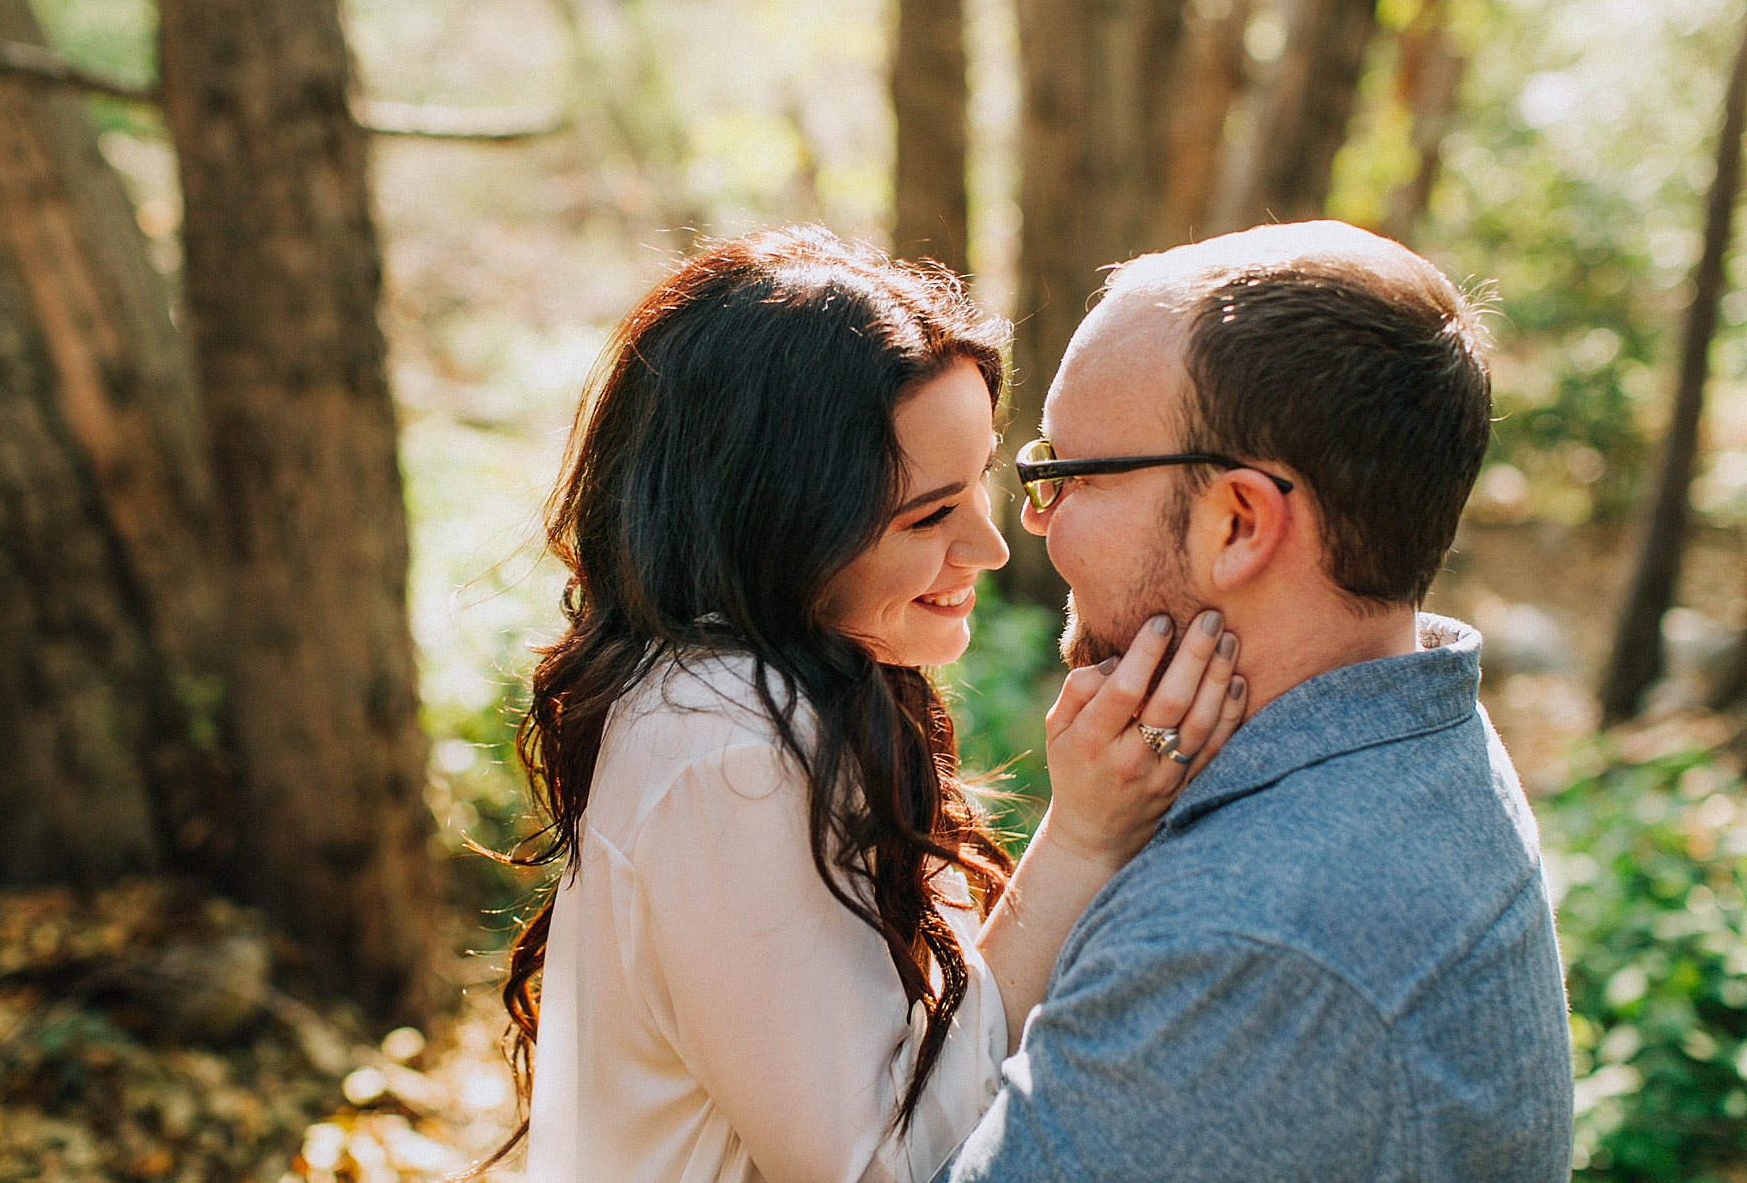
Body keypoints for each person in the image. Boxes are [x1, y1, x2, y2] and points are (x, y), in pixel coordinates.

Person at [495, 226, 1250, 1183]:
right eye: (929, 515)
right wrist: (1085, 839)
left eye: (980, 479)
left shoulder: (787, 689)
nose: (990, 546)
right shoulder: (729, 742)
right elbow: (878, 1166)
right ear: (778, 526)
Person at [935, 220, 1575, 1182]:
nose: (1032, 521)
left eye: (1063, 473)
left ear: (1238, 523)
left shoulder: (1245, 942)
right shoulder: (1415, 726)